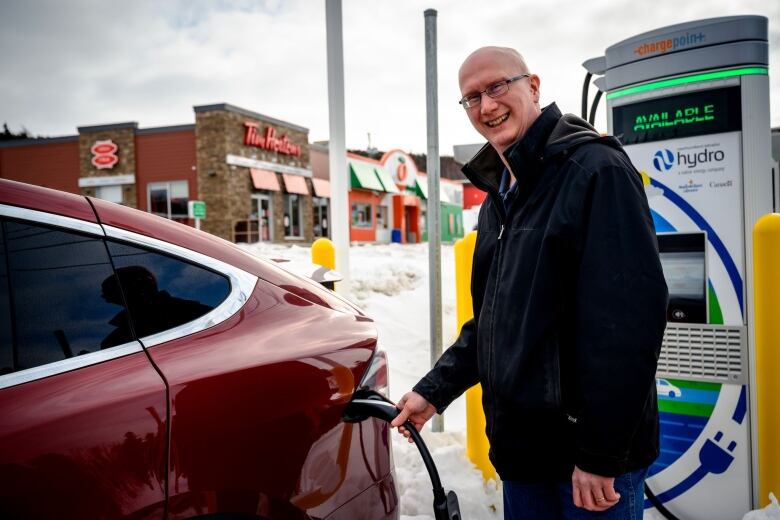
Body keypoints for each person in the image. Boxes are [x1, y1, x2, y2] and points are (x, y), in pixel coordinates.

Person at [390, 47, 668, 519]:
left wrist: (600, 456)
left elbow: (627, 324)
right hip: (524, 458)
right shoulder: (499, 197)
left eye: (497, 87)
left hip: (586, 469)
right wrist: (434, 391)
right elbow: (498, 320)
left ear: (533, 86)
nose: (487, 106)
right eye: (472, 97)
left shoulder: (595, 170)